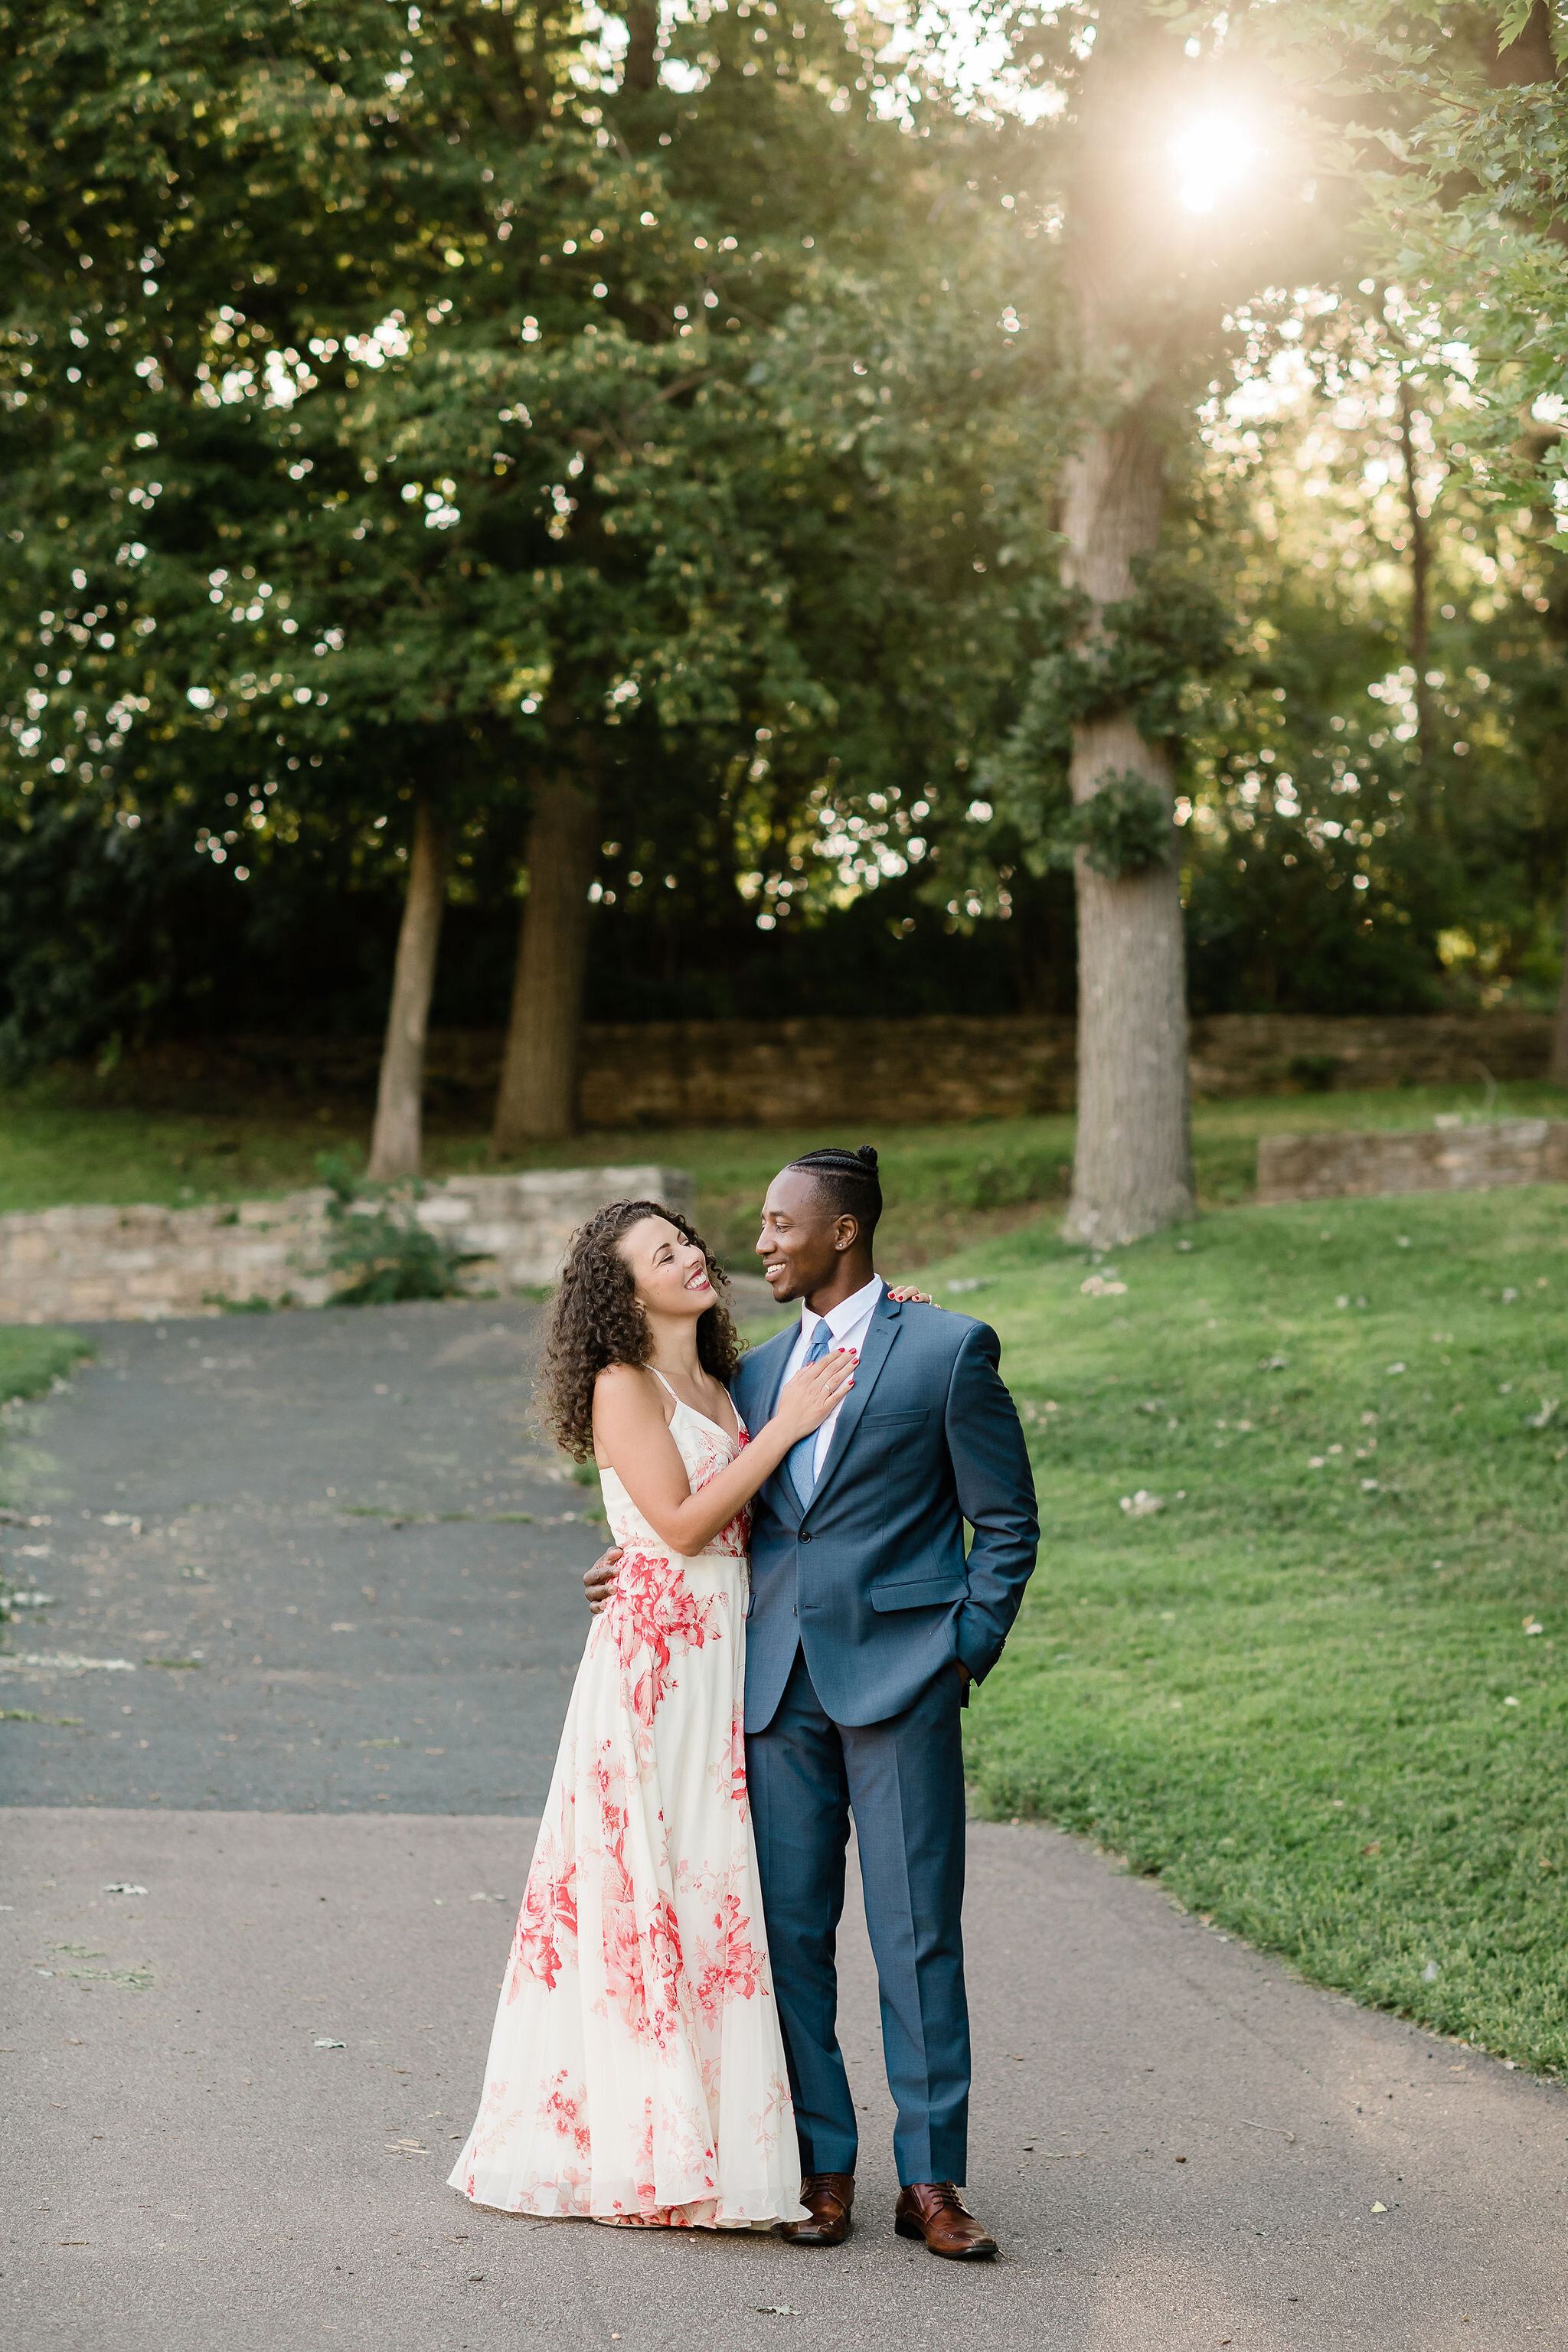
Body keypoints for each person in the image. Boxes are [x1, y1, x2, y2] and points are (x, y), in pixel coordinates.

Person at [586, 1145, 1038, 2259]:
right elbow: (692, 1507)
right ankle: (820, 2166)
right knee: (787, 1939)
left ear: (843, 1230)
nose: (759, 1243)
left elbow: (1009, 1522)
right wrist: (622, 1564)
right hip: (769, 1688)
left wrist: (962, 1651)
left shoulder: (946, 1347)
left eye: (781, 1224)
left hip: (903, 1684)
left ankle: (931, 2181)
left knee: (917, 1935)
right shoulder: (747, 1378)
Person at [447, 1195, 925, 2230]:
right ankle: (649, 2144)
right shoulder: (624, 1382)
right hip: (658, 1669)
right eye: (664, 1254)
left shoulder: (727, 1376)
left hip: (731, 1651)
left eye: (688, 1241)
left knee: (719, 1902)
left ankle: (728, 2135)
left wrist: (876, 1333)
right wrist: (787, 1426)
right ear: (624, 1292)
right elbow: (680, 1520)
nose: (694, 1257)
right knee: (653, 1893)